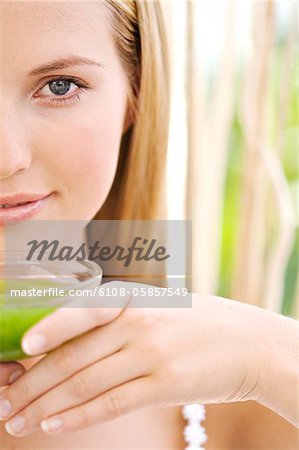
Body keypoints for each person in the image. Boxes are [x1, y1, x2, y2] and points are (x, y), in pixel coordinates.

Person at [0, 1, 297, 449]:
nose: (7, 159)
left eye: (59, 85)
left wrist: (269, 355)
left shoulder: (237, 392)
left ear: (133, 95)